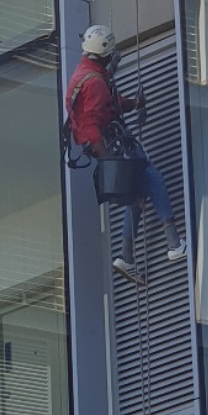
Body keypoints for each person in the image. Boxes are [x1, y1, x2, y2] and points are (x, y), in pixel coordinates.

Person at [65, 24, 186, 279]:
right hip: (113, 147)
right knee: (153, 178)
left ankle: (126, 257)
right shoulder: (95, 82)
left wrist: (133, 103)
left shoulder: (87, 72)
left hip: (106, 146)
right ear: (105, 53)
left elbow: (110, 102)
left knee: (136, 197)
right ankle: (174, 244)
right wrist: (108, 158)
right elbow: (92, 120)